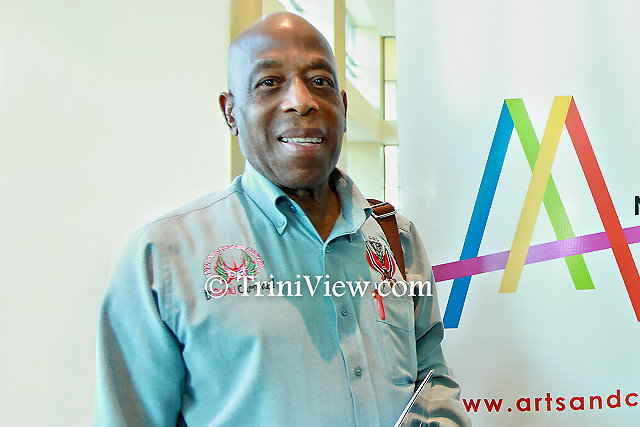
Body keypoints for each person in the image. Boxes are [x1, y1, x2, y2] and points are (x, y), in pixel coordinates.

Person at [95, 12, 471, 427]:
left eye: (320, 81)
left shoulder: (395, 236)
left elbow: (430, 380)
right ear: (231, 113)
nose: (301, 100)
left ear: (343, 108)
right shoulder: (164, 257)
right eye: (269, 82)